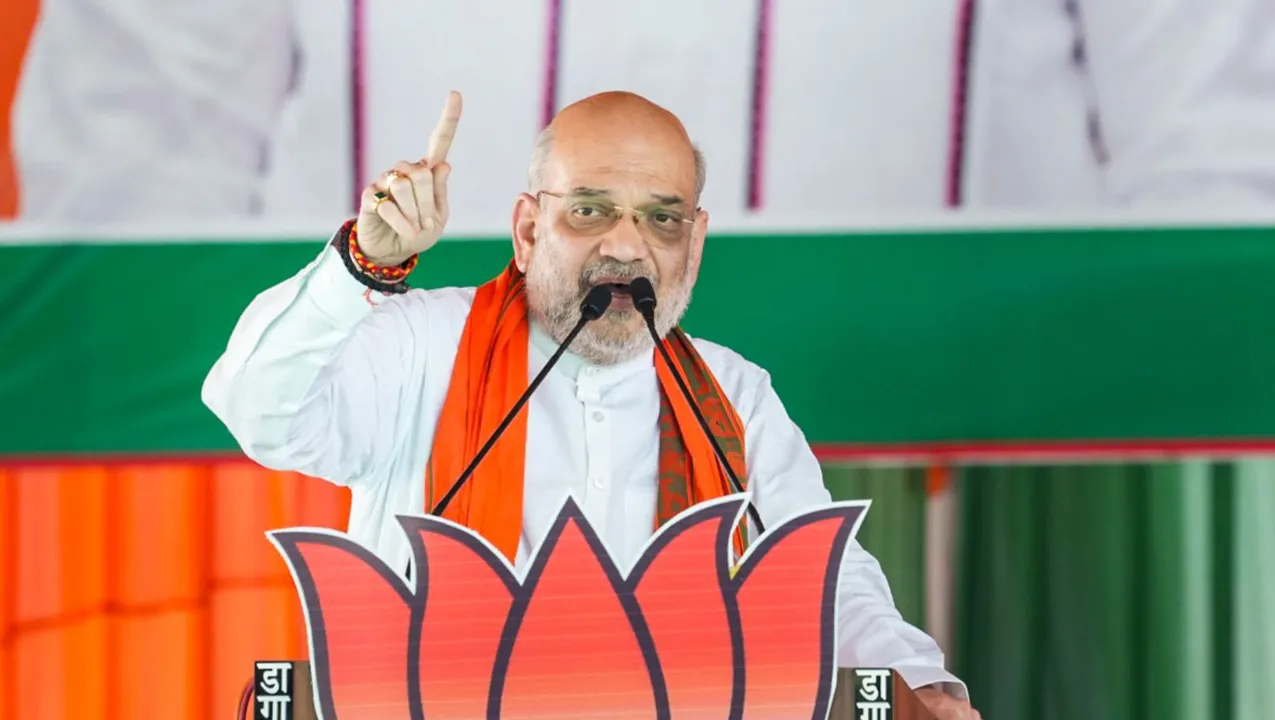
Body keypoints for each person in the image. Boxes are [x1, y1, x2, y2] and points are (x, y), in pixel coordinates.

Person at [203, 90, 981, 720]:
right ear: (527, 228)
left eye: (661, 217)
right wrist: (364, 263)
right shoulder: (422, 347)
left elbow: (825, 575)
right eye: (590, 209)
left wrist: (921, 684)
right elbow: (256, 407)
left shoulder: (733, 395)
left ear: (695, 242)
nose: (627, 245)